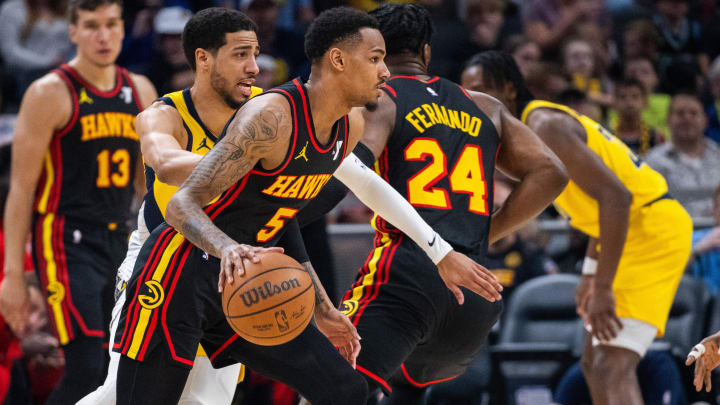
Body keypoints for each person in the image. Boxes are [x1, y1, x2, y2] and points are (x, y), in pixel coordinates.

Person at [113, 7, 503, 405]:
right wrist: (227, 247)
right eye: (374, 59)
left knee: (345, 389)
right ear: (338, 60)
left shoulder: (349, 126)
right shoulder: (271, 118)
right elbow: (181, 205)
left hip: (249, 280)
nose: (386, 72)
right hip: (179, 275)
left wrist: (324, 307)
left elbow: (289, 220)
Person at [336, 4, 567, 403]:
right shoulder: (485, 106)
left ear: (376, 51)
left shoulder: (381, 101)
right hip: (474, 293)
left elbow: (353, 169)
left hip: (408, 275)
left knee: (331, 385)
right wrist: (486, 234)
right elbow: (552, 173)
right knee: (404, 391)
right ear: (426, 52)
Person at [462, 50, 692, 405]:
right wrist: (590, 273)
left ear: (508, 88)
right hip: (630, 228)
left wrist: (602, 288)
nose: (470, 99)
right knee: (594, 364)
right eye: (465, 91)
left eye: (478, 89)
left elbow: (616, 199)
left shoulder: (544, 126)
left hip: (650, 228)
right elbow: (602, 211)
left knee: (612, 364)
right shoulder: (528, 131)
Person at [78, 7, 264, 405]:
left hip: (229, 268)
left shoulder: (267, 110)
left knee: (205, 403)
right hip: (159, 264)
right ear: (203, 58)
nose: (254, 67)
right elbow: (164, 163)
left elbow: (336, 159)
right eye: (240, 55)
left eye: (255, 54)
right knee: (118, 395)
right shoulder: (162, 115)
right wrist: (254, 167)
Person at [0, 0, 157, 402]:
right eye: (91, 26)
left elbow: (148, 189)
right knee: (87, 365)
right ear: (73, 32)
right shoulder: (49, 92)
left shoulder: (140, 90)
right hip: (64, 239)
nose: (102, 36)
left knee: (115, 368)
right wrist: (14, 275)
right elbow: (21, 191)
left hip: (119, 238)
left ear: (123, 28)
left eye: (110, 24)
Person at [645, 93, 720, 220]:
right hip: (673, 234)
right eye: (680, 113)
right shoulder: (652, 161)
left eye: (694, 113)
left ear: (705, 121)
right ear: (668, 120)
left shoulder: (717, 154)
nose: (687, 118)